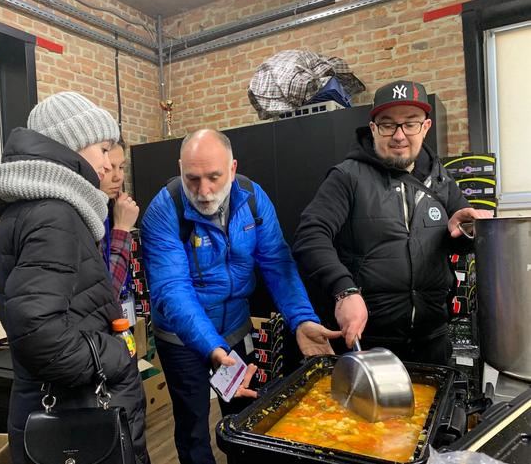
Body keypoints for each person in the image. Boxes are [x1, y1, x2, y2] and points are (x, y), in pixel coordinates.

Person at [141, 128, 341, 464]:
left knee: (245, 417)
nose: (203, 191)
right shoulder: (164, 210)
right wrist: (211, 347)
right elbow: (172, 290)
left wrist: (301, 318)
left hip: (234, 329)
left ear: (232, 169)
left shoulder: (252, 197)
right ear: (179, 169)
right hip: (181, 339)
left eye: (214, 178)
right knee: (193, 425)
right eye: (192, 179)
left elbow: (277, 262)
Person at [0, 92, 150, 464]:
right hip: (77, 411)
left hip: (69, 405)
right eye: (104, 150)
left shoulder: (40, 208)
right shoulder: (53, 213)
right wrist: (115, 355)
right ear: (73, 145)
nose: (109, 166)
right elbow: (37, 330)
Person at [292, 80, 493, 365]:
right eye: (388, 125)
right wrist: (344, 291)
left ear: (425, 127)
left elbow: (457, 241)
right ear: (373, 128)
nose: (399, 135)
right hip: (369, 343)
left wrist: (467, 230)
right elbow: (310, 235)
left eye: (410, 124)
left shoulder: (441, 180)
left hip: (433, 340)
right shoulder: (347, 176)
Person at [99, 139, 140, 300]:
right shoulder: (83, 215)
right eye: (108, 168)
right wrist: (122, 229)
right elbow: (104, 296)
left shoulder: (111, 207)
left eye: (121, 167)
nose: (118, 177)